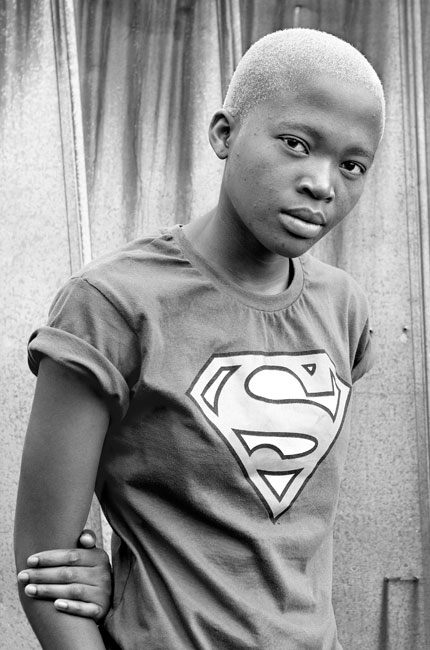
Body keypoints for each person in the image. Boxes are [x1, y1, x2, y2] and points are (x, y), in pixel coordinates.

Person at [15, 27, 385, 650]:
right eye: (297, 144)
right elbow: (46, 564)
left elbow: (276, 527)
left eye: (352, 165)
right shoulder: (113, 305)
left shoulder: (343, 308)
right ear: (224, 134)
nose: (323, 184)